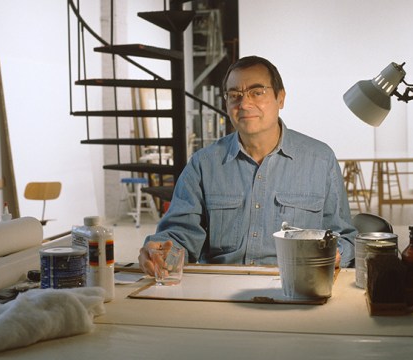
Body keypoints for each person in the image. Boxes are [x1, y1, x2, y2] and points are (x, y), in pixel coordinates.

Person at [139, 56, 356, 276]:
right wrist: (160, 250)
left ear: (280, 98)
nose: (244, 104)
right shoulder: (203, 164)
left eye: (257, 92)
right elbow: (178, 235)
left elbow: (345, 237)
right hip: (221, 291)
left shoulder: (320, 160)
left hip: (296, 288)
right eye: (234, 95)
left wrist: (335, 253)